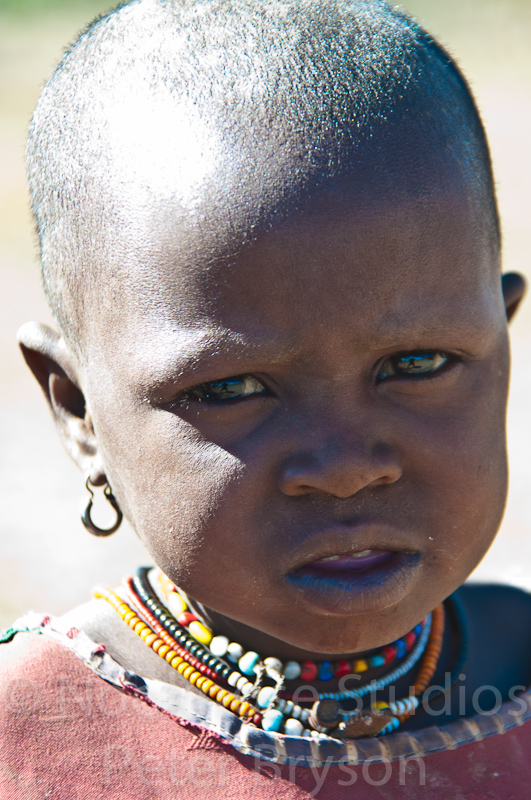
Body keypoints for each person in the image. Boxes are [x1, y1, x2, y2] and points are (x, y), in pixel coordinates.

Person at [0, 0, 530, 796]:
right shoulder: (33, 739)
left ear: (501, 337)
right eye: (230, 389)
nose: (345, 467)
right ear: (79, 411)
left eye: (416, 362)